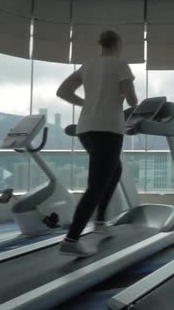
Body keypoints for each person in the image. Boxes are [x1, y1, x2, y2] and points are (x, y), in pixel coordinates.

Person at [56, 30, 138, 257]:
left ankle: (100, 221)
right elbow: (132, 99)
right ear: (117, 44)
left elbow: (62, 91)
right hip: (108, 128)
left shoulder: (87, 64)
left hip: (86, 129)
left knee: (114, 170)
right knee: (96, 185)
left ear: (100, 44)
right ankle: (71, 239)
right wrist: (122, 96)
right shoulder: (120, 63)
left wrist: (87, 102)